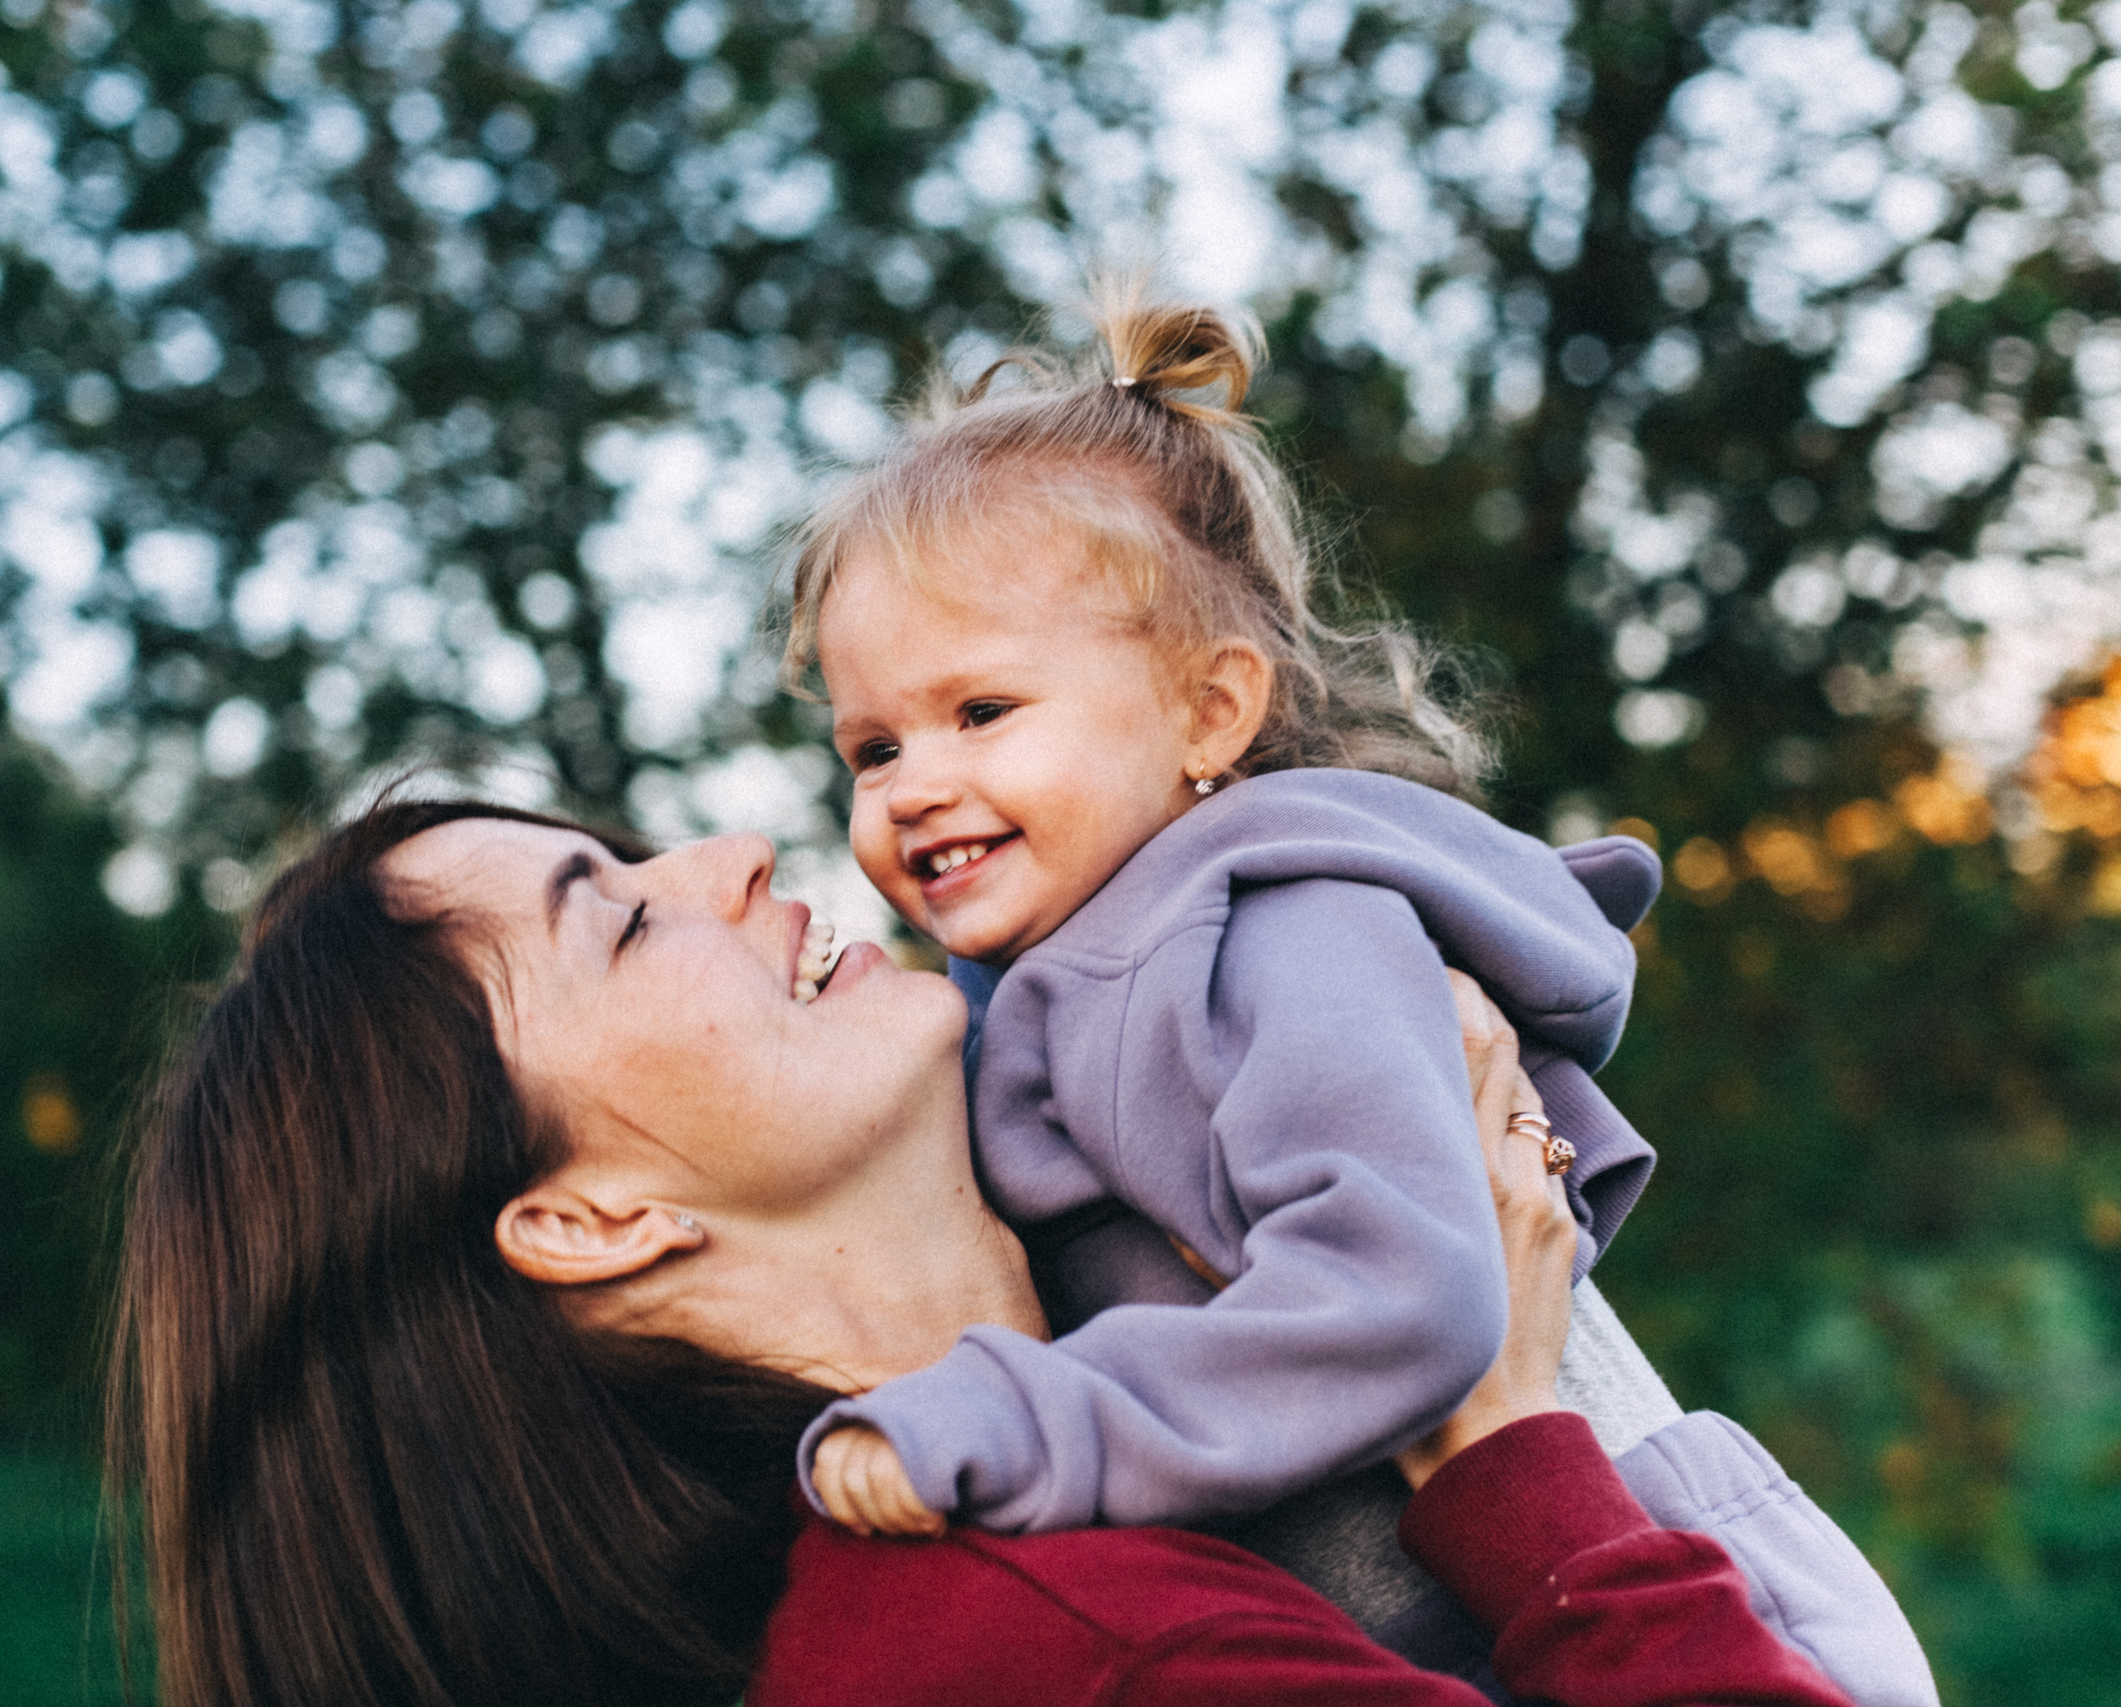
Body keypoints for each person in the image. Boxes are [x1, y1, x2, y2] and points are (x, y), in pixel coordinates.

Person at [780, 294, 1934, 1703]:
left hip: (1678, 1599)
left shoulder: (1288, 925)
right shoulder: (1028, 991)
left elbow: (1403, 1300)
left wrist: (1018, 1418)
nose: (912, 786)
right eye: (872, 743)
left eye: (982, 714)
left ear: (1210, 714)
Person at [108, 798, 1893, 1707]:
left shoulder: (1058, 1545)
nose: (733, 854)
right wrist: (1515, 1467)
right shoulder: (1064, 1655)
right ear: (586, 1219)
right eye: (622, 915)